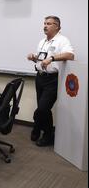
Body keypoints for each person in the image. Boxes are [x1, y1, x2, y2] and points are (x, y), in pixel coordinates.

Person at [27, 15, 75, 147]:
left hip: (52, 80)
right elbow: (41, 59)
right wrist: (34, 58)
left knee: (42, 109)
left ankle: (47, 134)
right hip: (40, 78)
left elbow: (70, 55)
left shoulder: (62, 40)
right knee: (43, 109)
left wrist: (52, 58)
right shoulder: (42, 42)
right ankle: (38, 128)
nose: (45, 26)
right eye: (44, 23)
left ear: (57, 26)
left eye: (49, 23)